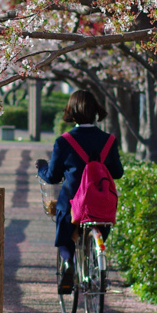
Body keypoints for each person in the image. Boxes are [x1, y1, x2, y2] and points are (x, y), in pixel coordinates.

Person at [36, 89, 123, 293]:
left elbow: (54, 177)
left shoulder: (64, 141)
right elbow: (117, 173)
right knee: (99, 227)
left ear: (71, 112)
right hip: (101, 205)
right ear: (96, 112)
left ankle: (68, 263)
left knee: (65, 234)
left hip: (73, 204)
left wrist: (41, 167)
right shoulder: (109, 140)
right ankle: (95, 259)